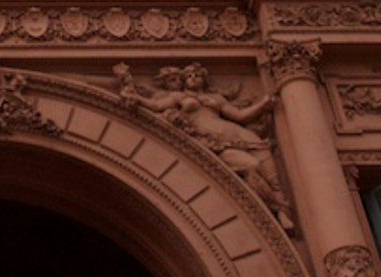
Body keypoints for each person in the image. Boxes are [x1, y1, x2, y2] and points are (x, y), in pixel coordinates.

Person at [117, 62, 293, 229]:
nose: (193, 78)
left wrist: (263, 104)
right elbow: (156, 105)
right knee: (251, 166)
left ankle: (284, 213)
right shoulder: (179, 96)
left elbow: (240, 116)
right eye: (189, 75)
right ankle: (275, 208)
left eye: (197, 75)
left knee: (274, 180)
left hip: (242, 136)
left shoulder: (215, 98)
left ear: (204, 79)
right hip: (215, 145)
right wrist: (136, 97)